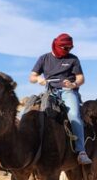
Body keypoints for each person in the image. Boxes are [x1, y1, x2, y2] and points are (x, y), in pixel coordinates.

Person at [29, 33, 93, 165]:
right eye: (66, 48)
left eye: (70, 48)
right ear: (58, 45)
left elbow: (81, 78)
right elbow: (32, 77)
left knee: (74, 115)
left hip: (67, 91)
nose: (69, 50)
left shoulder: (73, 59)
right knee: (28, 112)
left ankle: (81, 151)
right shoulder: (44, 58)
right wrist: (38, 79)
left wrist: (73, 84)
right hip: (49, 92)